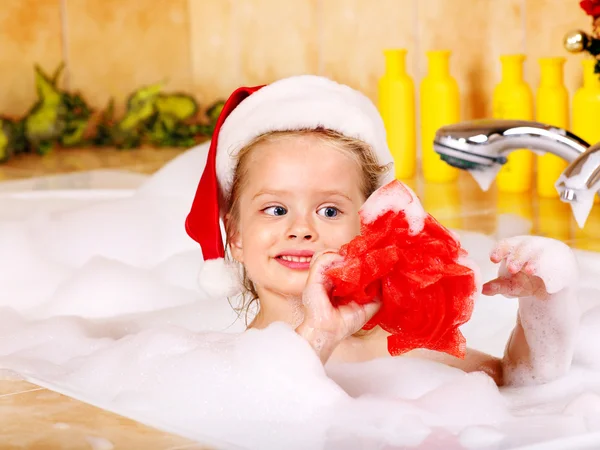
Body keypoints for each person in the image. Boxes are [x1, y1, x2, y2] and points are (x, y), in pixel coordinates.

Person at [185, 75, 580, 387]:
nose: (301, 229)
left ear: (370, 230)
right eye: (275, 209)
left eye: (329, 209)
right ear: (235, 236)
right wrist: (316, 338)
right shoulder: (222, 370)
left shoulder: (399, 351)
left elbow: (520, 382)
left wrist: (543, 305)